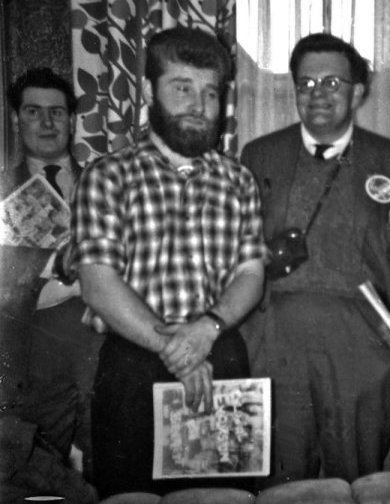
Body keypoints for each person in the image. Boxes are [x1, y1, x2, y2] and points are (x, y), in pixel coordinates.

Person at [67, 27, 266, 498]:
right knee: (131, 495)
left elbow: (251, 274)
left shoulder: (239, 181)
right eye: (182, 88)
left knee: (224, 496)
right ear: (149, 91)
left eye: (210, 93)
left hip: (219, 355)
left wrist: (205, 331)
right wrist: (175, 347)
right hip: (132, 364)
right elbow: (98, 284)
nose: (199, 105)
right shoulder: (108, 175)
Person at [239, 32, 390, 486]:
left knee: (357, 478)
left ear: (358, 91)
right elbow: (235, 246)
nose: (317, 94)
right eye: (306, 84)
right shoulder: (259, 155)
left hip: (360, 345)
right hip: (276, 341)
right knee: (280, 481)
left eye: (332, 82)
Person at [0, 67, 99, 503]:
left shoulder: (105, 182)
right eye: (33, 111)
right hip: (35, 369)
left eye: (56, 112)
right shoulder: (1, 192)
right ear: (16, 119)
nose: (46, 122)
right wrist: (76, 280)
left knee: (111, 480)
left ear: (72, 121)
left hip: (103, 356)